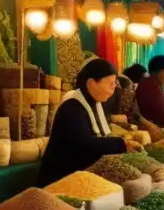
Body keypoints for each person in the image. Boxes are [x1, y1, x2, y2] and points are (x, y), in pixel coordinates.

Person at [38, 58, 132, 186]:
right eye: (110, 83)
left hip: (82, 176)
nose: (114, 88)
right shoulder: (72, 106)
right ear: (91, 83)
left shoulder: (95, 104)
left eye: (114, 83)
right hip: (59, 180)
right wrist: (121, 143)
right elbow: (84, 144)